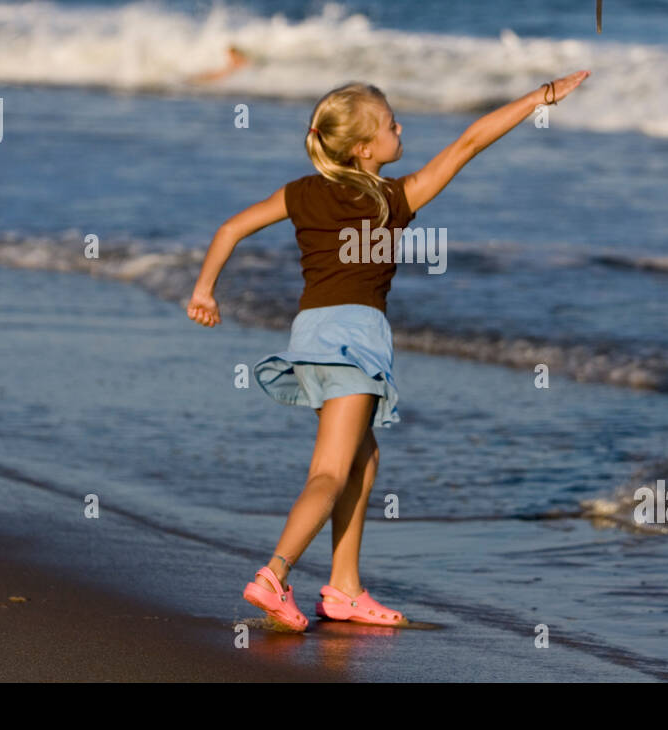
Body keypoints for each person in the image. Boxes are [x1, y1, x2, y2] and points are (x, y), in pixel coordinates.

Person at [186, 70, 591, 630]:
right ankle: (273, 575)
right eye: (391, 123)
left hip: (310, 337)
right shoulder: (395, 198)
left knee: (363, 457)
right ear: (365, 149)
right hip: (353, 344)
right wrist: (540, 97)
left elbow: (230, 228)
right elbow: (471, 142)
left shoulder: (301, 193)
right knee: (328, 473)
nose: (402, 127)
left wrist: (205, 290)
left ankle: (344, 588)